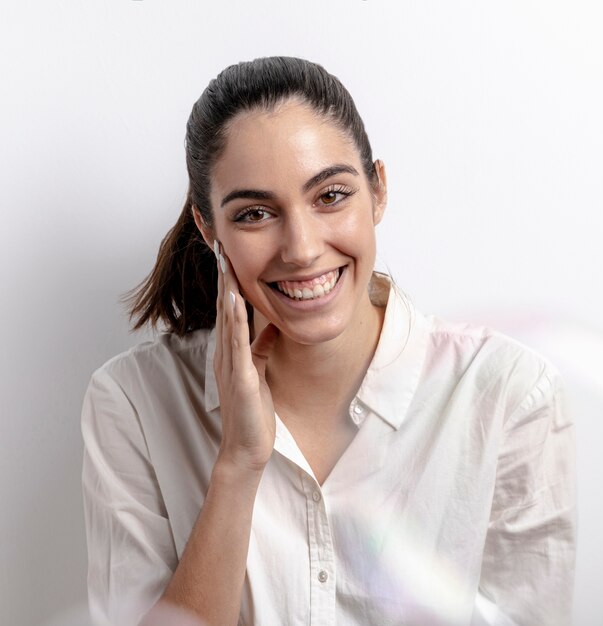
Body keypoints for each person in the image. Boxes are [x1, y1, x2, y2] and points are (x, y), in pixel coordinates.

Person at [81, 56, 577, 626]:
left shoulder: (513, 392)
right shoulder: (131, 401)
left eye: (331, 196)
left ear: (378, 191)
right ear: (206, 226)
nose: (301, 248)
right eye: (256, 213)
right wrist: (238, 465)